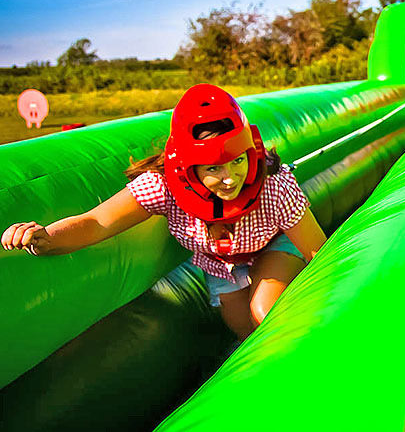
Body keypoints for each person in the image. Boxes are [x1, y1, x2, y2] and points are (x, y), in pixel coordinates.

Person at [1, 84, 327, 341]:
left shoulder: (273, 185)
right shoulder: (165, 187)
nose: (230, 178)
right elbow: (98, 222)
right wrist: (47, 236)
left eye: (238, 160)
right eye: (213, 167)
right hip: (220, 263)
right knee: (243, 329)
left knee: (264, 310)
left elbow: (321, 253)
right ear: (188, 167)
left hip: (273, 245)